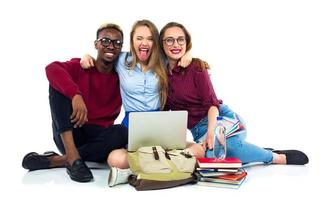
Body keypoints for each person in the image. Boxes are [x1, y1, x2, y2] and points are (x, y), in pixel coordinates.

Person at [159, 22, 309, 166]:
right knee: (212, 158)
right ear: (162, 44)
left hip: (221, 120)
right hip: (198, 132)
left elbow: (212, 104)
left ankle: (275, 157)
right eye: (169, 40)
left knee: (228, 151)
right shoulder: (160, 74)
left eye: (180, 39)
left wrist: (211, 131)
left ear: (187, 42)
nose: (176, 44)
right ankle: (250, 152)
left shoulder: (196, 67)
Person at [80, 19, 205, 186]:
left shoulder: (163, 60)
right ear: (132, 41)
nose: (144, 42)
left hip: (160, 124)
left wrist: (188, 54)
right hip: (132, 125)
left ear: (155, 42)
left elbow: (179, 51)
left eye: (150, 38)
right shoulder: (121, 60)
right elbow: (103, 57)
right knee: (114, 159)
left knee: (199, 150)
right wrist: (86, 57)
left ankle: (144, 167)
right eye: (139, 38)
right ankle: (165, 164)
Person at [22, 23, 128, 183]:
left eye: (117, 42)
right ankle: (71, 155)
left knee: (121, 132)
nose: (111, 46)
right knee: (57, 86)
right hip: (70, 132)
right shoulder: (81, 66)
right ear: (96, 44)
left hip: (98, 140)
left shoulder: (123, 77)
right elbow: (52, 68)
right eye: (105, 40)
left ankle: (60, 160)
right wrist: (75, 95)